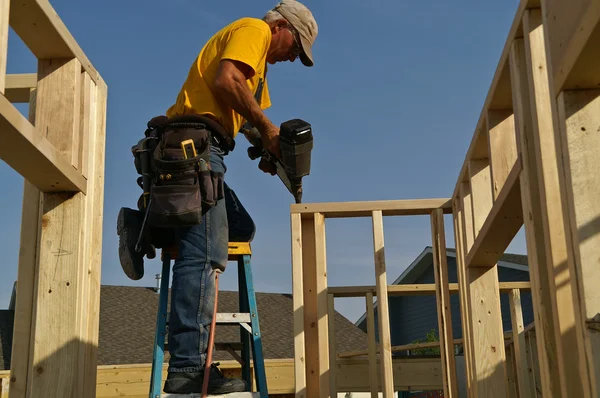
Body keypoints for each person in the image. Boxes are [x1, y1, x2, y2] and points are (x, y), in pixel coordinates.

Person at [119, 0, 318, 395]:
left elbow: (244, 119)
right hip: (194, 149)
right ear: (281, 26)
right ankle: (189, 368)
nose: (293, 58)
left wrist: (267, 147)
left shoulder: (258, 73)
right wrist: (268, 127)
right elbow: (226, 82)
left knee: (241, 227)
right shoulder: (254, 31)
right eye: (295, 47)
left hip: (203, 151)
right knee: (204, 255)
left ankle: (145, 221)